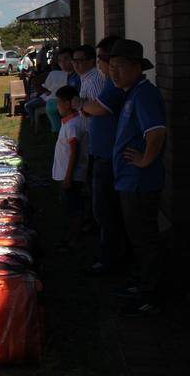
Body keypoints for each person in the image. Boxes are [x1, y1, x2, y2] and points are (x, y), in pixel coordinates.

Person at [79, 39, 166, 315]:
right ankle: (139, 282)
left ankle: (150, 294)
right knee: (135, 236)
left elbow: (156, 132)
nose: (113, 73)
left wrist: (145, 159)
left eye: (120, 67)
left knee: (144, 238)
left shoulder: (144, 95)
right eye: (111, 66)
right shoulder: (130, 93)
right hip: (127, 180)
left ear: (137, 67)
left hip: (139, 181)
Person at [72, 36, 125, 276]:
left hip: (107, 155)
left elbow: (97, 107)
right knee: (102, 206)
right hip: (101, 151)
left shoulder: (109, 85)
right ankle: (108, 251)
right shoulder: (109, 83)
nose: (102, 64)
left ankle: (111, 258)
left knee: (105, 208)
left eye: (102, 59)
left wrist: (81, 104)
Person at [53, 85, 89, 252]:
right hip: (64, 174)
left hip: (70, 176)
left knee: (73, 209)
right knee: (69, 208)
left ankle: (74, 240)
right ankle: (69, 237)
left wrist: (68, 177)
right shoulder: (68, 123)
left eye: (59, 102)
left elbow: (75, 151)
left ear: (68, 104)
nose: (57, 106)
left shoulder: (73, 125)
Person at [43, 48, 74, 133]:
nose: (63, 63)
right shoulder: (67, 76)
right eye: (60, 61)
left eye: (66, 59)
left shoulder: (75, 77)